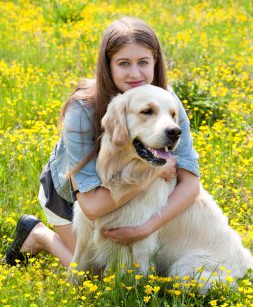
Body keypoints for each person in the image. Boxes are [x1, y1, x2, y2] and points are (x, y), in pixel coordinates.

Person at [6, 17, 200, 268]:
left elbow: (190, 183)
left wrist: (145, 228)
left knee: (128, 267)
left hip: (133, 201)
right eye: (123, 63)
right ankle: (38, 235)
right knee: (92, 277)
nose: (135, 73)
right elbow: (93, 207)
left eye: (143, 62)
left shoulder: (165, 99)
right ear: (107, 66)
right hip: (71, 200)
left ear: (155, 62)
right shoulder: (82, 109)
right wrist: (156, 171)